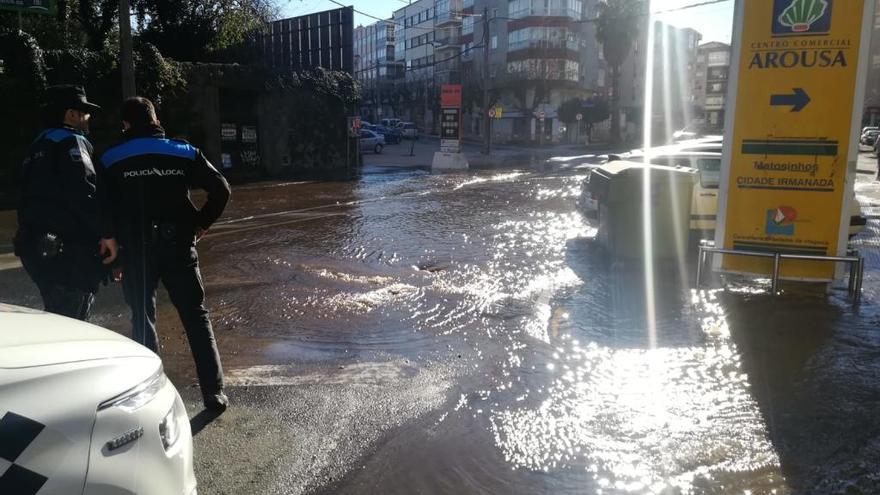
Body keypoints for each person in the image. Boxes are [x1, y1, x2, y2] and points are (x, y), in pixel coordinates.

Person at [99, 97, 231, 412]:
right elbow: (222, 189)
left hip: (136, 251)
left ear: (126, 125)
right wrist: (200, 223)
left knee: (143, 320)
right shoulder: (182, 152)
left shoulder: (110, 159)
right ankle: (214, 394)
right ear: (155, 120)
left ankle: (153, 398)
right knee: (196, 318)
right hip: (178, 247)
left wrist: (114, 255)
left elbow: (104, 210)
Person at [14, 85, 118, 320]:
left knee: (55, 318)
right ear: (71, 114)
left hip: (37, 247)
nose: (87, 119)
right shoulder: (72, 141)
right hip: (69, 251)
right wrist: (107, 233)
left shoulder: (37, 145)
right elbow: (84, 191)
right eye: (84, 113)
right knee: (74, 323)